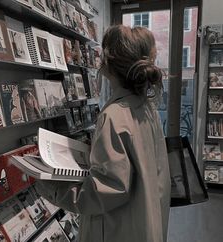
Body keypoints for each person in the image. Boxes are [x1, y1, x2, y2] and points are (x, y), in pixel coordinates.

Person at [36, 25, 171, 242]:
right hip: (144, 223)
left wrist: (49, 187)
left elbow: (104, 192)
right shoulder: (146, 108)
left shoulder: (114, 116)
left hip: (116, 230)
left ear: (107, 64)